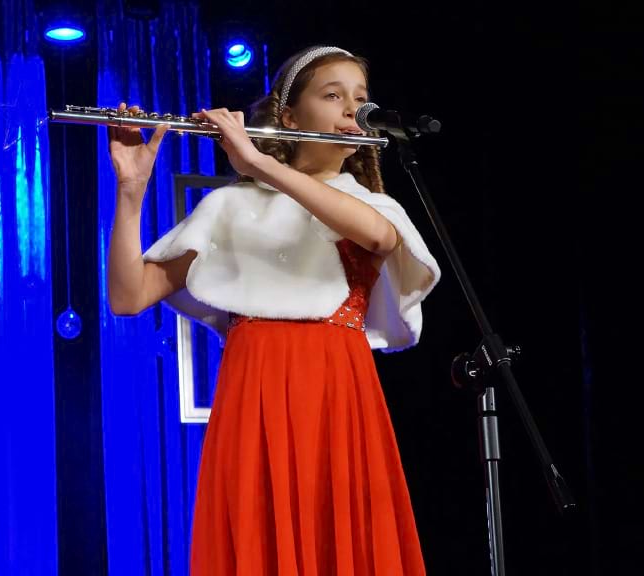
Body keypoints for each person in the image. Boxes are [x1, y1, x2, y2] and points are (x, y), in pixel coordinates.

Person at [106, 45, 441, 576]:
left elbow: (377, 236)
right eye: (332, 96)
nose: (352, 110)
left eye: (360, 98)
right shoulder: (231, 205)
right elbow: (128, 298)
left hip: (338, 387)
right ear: (288, 117)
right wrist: (130, 191)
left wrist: (258, 161)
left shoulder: (374, 205)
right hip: (252, 387)